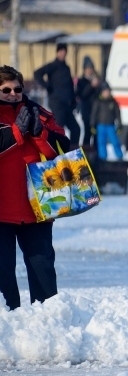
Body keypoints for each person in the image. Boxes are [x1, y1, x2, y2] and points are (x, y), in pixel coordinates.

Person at [0, 65, 71, 310]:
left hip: (37, 210)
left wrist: (41, 134)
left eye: (17, 89)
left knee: (44, 277)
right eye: (5, 89)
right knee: (2, 277)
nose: (12, 93)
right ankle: (7, 327)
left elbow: (64, 150)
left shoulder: (39, 112)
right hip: (1, 213)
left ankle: (47, 325)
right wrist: (17, 132)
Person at [34, 43, 81, 148]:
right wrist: (47, 86)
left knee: (76, 129)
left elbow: (69, 84)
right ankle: (56, 153)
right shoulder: (53, 66)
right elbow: (37, 73)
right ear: (57, 52)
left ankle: (73, 153)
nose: (63, 53)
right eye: (61, 51)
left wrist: (73, 100)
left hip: (67, 104)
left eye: (64, 51)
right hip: (57, 103)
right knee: (59, 128)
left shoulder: (66, 68)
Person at [90, 86, 123, 161]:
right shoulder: (98, 101)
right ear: (102, 92)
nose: (107, 93)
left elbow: (118, 114)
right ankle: (102, 158)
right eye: (105, 92)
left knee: (115, 142)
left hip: (110, 125)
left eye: (108, 91)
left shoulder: (113, 102)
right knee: (101, 143)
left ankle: (120, 156)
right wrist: (92, 125)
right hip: (100, 126)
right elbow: (94, 114)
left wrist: (120, 125)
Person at [75, 57, 100, 147]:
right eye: (88, 68)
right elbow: (81, 94)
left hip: (96, 112)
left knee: (96, 135)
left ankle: (96, 156)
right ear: (84, 70)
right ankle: (86, 153)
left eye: (91, 68)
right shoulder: (81, 81)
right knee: (87, 133)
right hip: (86, 111)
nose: (90, 70)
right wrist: (91, 86)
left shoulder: (97, 80)